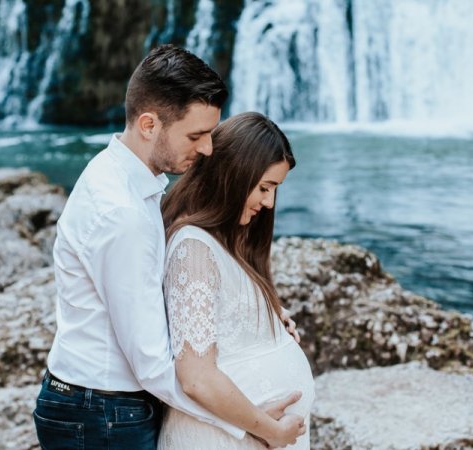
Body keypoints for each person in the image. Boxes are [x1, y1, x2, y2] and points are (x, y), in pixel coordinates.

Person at [33, 45, 305, 450]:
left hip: (101, 408)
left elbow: (160, 296)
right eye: (196, 135)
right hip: (103, 415)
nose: (209, 149)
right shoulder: (121, 214)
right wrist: (255, 425)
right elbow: (158, 367)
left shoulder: (128, 182)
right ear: (148, 125)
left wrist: (254, 320)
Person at [158, 112, 315, 449]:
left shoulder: (220, 241)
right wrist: (271, 432)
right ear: (233, 175)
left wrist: (266, 315)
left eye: (275, 189)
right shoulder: (193, 248)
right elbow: (196, 378)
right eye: (264, 188)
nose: (270, 202)